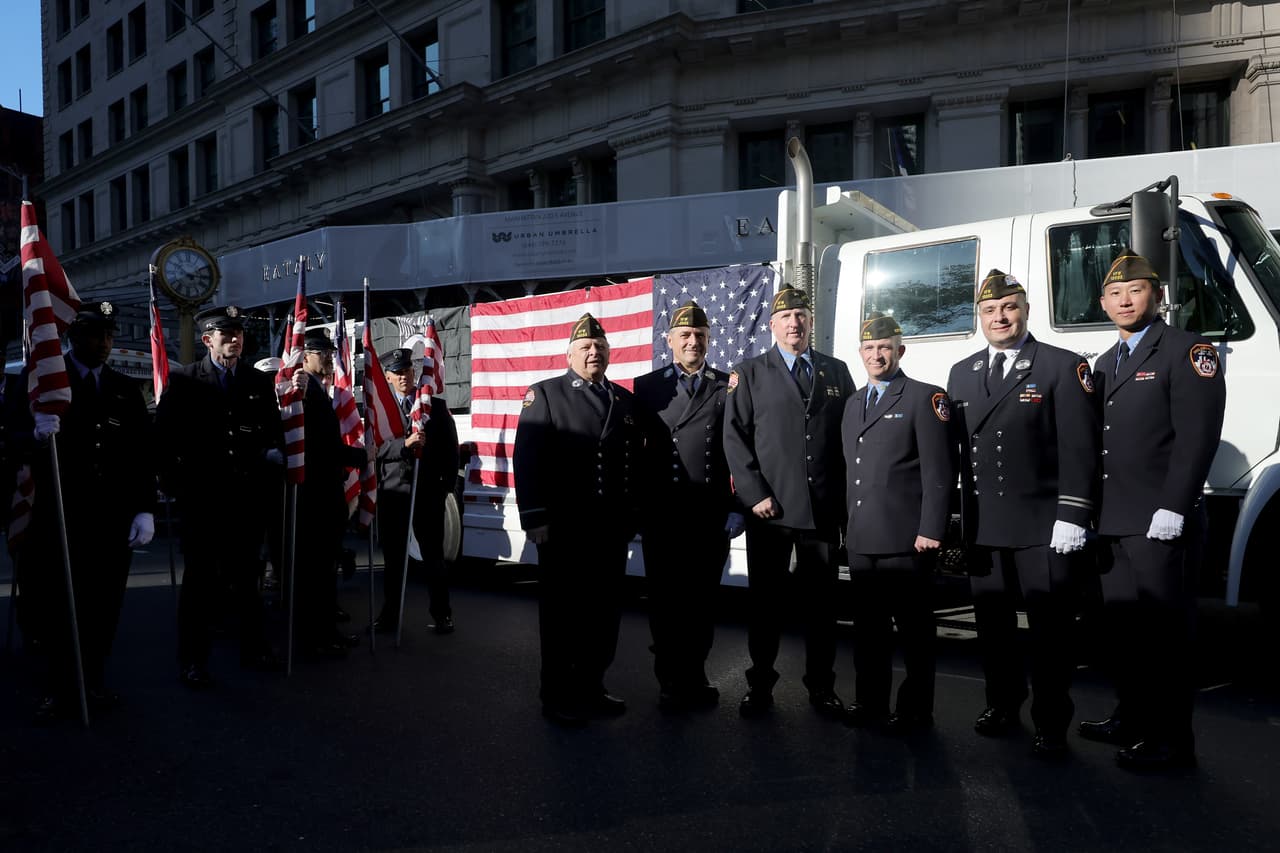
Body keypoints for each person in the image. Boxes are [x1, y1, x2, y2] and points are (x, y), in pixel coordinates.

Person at [1079, 249, 1226, 771]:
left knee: (1165, 636)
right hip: (1115, 522)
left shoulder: (1188, 350)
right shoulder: (1104, 363)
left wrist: (1175, 505)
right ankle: (1131, 717)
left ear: (1157, 296)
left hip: (1162, 522)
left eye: (1135, 290)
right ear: (1103, 303)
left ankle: (1171, 742)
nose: (1124, 300)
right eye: (1114, 294)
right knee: (1126, 631)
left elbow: (1198, 436)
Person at [946, 269, 1100, 758]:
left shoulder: (1061, 366)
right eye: (990, 310)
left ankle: (1051, 720)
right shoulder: (963, 372)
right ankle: (1003, 703)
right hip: (986, 524)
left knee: (1050, 630)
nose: (1000, 317)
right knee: (992, 626)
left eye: (1009, 307)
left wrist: (1073, 515)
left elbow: (1082, 448)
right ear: (980, 318)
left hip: (1042, 525)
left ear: (1026, 310)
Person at [6, 302, 154, 721]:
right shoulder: (43, 384)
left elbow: (141, 454)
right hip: (58, 511)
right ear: (73, 336)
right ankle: (59, 685)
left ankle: (93, 679)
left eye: (108, 335)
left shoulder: (124, 389)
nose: (104, 343)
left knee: (104, 604)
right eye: (94, 334)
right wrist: (34, 436)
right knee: (58, 604)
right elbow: (10, 436)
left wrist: (144, 508)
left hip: (111, 516)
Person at [723, 286, 856, 720]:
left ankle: (822, 687)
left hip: (821, 512)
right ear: (772, 325)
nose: (794, 323)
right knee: (766, 606)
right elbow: (735, 438)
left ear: (810, 322)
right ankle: (759, 684)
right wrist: (754, 494)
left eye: (801, 315)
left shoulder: (836, 372)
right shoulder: (750, 372)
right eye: (786, 317)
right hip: (771, 513)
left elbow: (850, 439)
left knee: (823, 609)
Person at [512, 313, 643, 727]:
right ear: (569, 353)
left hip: (609, 529)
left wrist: (633, 514)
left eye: (600, 347)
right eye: (585, 347)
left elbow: (635, 462)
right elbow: (528, 461)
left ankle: (592, 684)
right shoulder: (546, 395)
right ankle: (557, 694)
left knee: (603, 615)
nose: (594, 352)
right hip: (564, 528)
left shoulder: (623, 401)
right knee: (562, 616)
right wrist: (534, 517)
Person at [156, 306, 289, 687]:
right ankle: (193, 660)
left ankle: (255, 648)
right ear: (207, 340)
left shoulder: (255, 382)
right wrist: (180, 488)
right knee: (200, 584)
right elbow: (164, 441)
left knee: (248, 580)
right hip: (204, 501)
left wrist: (270, 459)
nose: (235, 340)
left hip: (246, 499)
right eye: (226, 334)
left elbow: (271, 435)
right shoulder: (185, 381)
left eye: (239, 334)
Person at [842, 313, 954, 734]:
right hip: (862, 538)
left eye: (884, 347)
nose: (877, 355)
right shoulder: (853, 403)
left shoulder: (925, 398)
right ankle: (869, 702)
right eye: (869, 349)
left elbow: (939, 472)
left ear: (900, 351)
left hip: (908, 540)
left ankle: (914, 709)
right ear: (861, 354)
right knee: (869, 632)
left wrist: (932, 528)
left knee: (914, 633)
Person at [633, 301, 744, 711]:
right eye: (684, 336)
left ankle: (695, 674)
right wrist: (637, 509)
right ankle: (668, 678)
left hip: (709, 515)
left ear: (709, 339)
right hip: (664, 515)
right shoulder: (647, 388)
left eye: (699, 335)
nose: (692, 341)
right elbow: (636, 454)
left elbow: (737, 450)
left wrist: (738, 507)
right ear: (670, 341)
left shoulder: (726, 385)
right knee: (665, 602)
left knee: (701, 602)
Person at [371, 348, 459, 636]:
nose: (404, 377)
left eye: (408, 371)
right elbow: (375, 449)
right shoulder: (379, 409)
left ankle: (442, 614)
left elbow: (450, 449)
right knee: (394, 559)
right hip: (394, 492)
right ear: (387, 377)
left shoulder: (433, 406)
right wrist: (404, 445)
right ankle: (390, 616)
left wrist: (444, 488)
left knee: (433, 556)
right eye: (397, 373)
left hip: (426, 492)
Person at [293, 328, 368, 657]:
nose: (329, 358)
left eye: (330, 352)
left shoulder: (319, 393)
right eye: (321, 353)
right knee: (318, 573)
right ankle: (319, 635)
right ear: (305, 355)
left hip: (326, 494)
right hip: (316, 497)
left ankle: (324, 631)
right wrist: (362, 457)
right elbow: (322, 448)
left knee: (324, 571)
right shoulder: (306, 392)